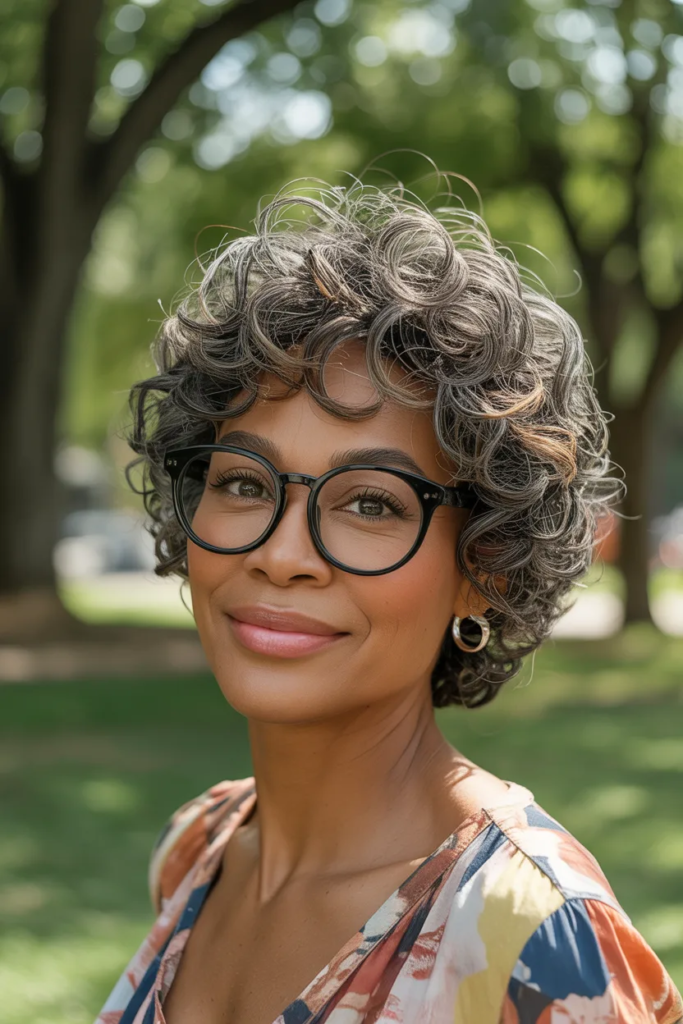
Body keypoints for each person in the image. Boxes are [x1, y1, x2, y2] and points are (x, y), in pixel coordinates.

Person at [95, 177, 682, 1024]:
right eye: (243, 482)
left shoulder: (536, 944)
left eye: (372, 501)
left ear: (484, 564)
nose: (282, 552)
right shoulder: (199, 846)